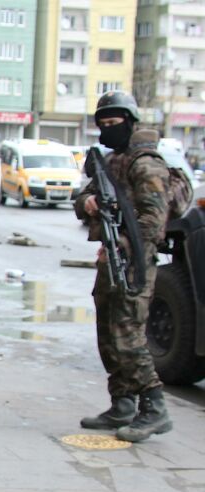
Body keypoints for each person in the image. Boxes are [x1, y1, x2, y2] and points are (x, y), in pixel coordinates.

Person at [74, 91, 173, 443]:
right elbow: (82, 197)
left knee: (128, 336)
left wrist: (123, 244)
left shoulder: (145, 163)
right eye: (102, 123)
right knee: (107, 334)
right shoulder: (111, 161)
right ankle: (122, 403)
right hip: (111, 259)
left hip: (134, 263)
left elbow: (154, 220)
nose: (108, 128)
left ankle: (154, 407)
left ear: (130, 123)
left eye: (114, 123)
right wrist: (87, 201)